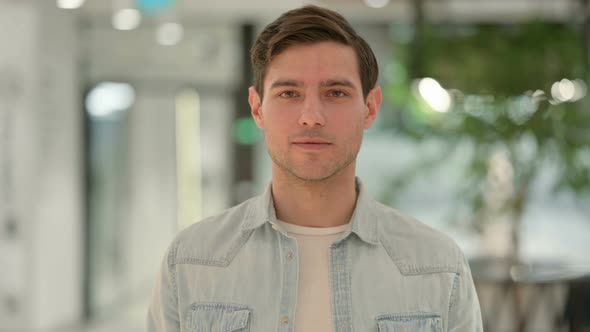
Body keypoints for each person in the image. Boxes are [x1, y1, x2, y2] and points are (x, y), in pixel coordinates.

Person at [147, 5, 482, 332]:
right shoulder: (192, 262)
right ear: (257, 108)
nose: (311, 116)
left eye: (335, 92)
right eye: (289, 93)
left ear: (370, 108)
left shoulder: (437, 267)